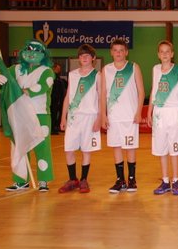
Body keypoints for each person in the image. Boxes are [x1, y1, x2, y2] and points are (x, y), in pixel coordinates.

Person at [0, 40, 55, 191]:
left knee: (42, 147)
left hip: (39, 114)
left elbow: (43, 85)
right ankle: (20, 180)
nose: (32, 53)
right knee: (18, 147)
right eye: (29, 49)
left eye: (36, 50)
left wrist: (24, 91)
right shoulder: (16, 69)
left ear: (43, 54)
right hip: (19, 115)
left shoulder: (47, 71)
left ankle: (43, 180)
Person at [101, 39, 145, 194]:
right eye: (115, 50)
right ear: (111, 52)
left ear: (126, 52)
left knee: (130, 147)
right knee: (117, 146)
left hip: (130, 116)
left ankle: (132, 179)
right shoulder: (106, 69)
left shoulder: (133, 67)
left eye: (121, 50)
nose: (118, 53)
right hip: (114, 116)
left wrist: (139, 112)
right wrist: (103, 115)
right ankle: (120, 180)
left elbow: (141, 92)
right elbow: (103, 94)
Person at [57, 45, 101, 194]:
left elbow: (101, 98)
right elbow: (68, 96)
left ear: (93, 58)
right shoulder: (72, 74)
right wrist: (63, 117)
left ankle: (83, 179)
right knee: (69, 148)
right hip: (73, 117)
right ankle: (72, 179)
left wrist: (99, 118)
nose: (84, 58)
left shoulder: (97, 75)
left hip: (90, 116)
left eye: (87, 55)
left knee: (86, 149)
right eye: (81, 55)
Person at [148, 41, 178, 196]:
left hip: (174, 111)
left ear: (172, 54)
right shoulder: (155, 69)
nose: (164, 54)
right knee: (161, 148)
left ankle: (176, 181)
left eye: (167, 51)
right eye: (162, 52)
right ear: (158, 55)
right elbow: (154, 91)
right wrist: (149, 112)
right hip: (159, 112)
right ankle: (165, 181)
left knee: (174, 149)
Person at [50, 63, 67, 134]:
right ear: (54, 69)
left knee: (59, 114)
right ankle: (52, 129)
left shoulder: (59, 79)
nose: (59, 70)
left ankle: (57, 127)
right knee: (53, 114)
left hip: (60, 100)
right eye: (57, 69)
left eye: (59, 69)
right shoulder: (52, 77)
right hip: (53, 100)